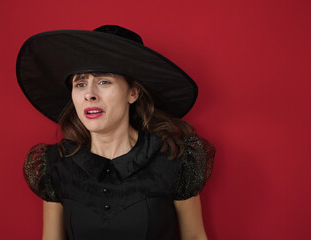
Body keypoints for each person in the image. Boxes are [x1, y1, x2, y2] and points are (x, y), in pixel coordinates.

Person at [16, 25, 215, 240]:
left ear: (133, 93)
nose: (89, 94)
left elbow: (194, 236)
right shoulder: (55, 164)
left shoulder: (174, 159)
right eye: (80, 83)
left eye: (103, 81)